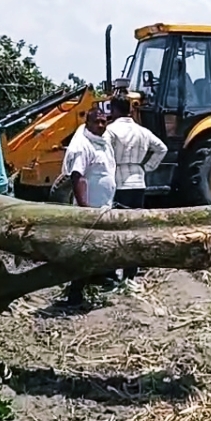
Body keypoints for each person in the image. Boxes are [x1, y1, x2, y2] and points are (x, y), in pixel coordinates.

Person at [105, 96, 167, 286]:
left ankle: (112, 273)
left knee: (116, 229)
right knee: (135, 229)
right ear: (130, 110)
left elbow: (104, 153)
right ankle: (131, 273)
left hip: (120, 182)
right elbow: (162, 149)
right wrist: (147, 167)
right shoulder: (143, 131)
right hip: (139, 182)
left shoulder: (110, 131)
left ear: (114, 110)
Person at [60, 107, 117, 306]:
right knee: (85, 252)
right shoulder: (83, 146)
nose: (101, 125)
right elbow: (78, 177)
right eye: (96, 122)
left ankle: (99, 278)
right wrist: (85, 208)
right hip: (90, 210)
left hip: (103, 207)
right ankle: (74, 295)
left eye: (104, 121)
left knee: (98, 248)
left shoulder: (104, 143)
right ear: (88, 123)